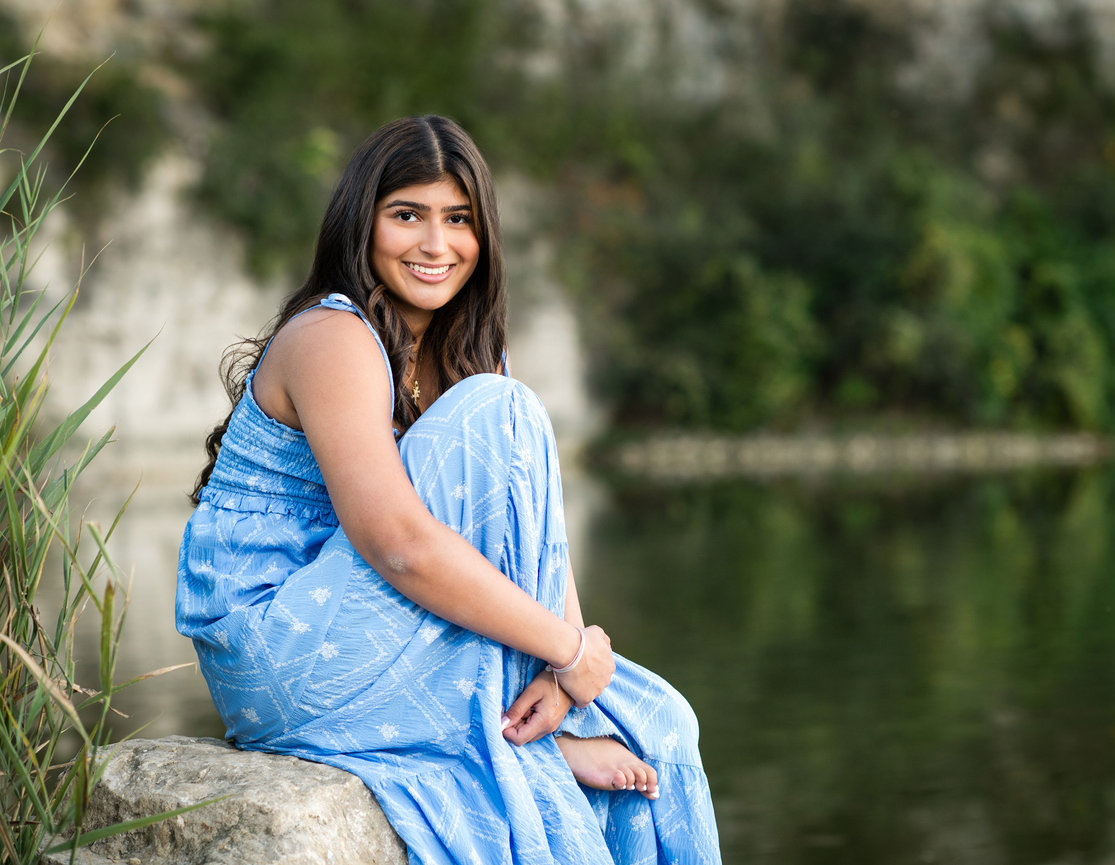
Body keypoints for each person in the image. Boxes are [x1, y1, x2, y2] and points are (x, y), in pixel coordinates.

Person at [175, 115, 722, 864]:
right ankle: (522, 752)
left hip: (369, 625)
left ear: (483, 234)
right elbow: (397, 545)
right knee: (502, 410)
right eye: (407, 215)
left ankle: (531, 739)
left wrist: (570, 678)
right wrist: (567, 649)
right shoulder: (331, 336)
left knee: (658, 722)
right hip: (280, 647)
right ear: (360, 224)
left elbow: (529, 525)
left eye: (458, 219)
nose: (436, 246)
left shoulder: (469, 349)